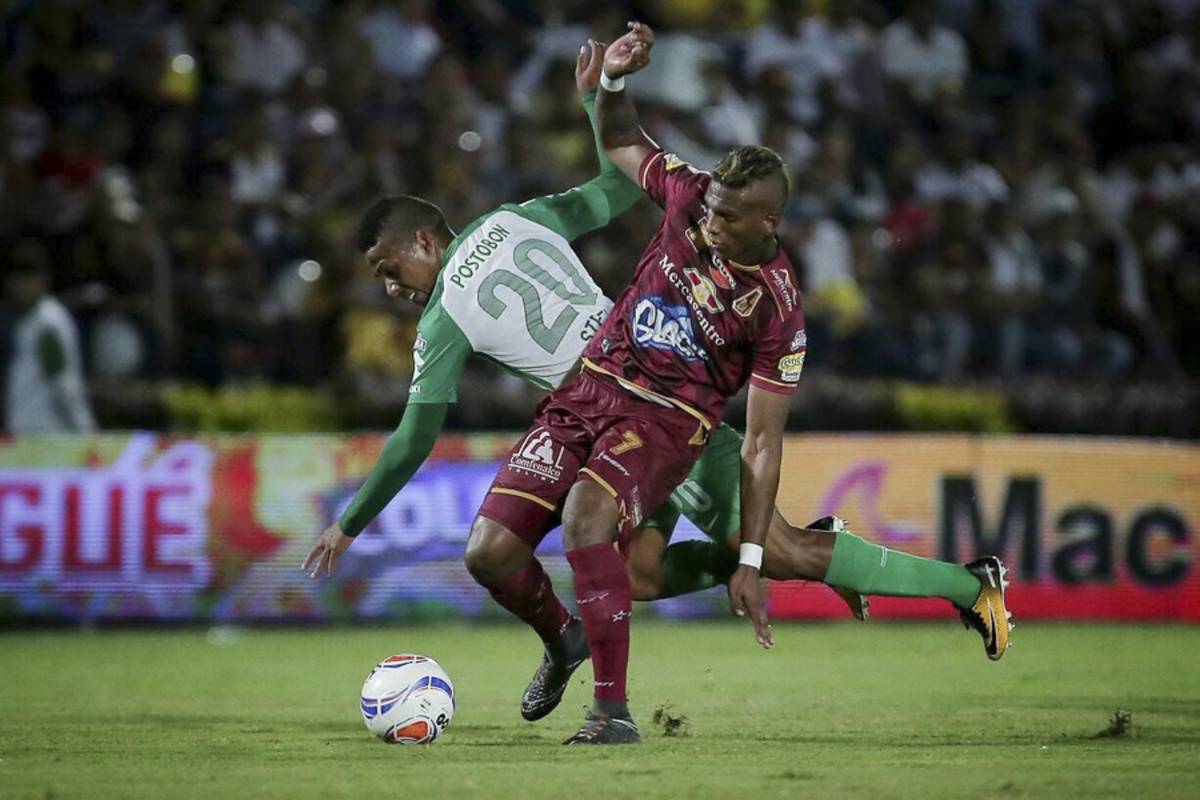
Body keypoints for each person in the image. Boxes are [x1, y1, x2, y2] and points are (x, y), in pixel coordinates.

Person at [302, 34, 1013, 745]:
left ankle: (965, 584)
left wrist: (753, 559)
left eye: (389, 269)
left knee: (779, 551)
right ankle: (587, 645)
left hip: (674, 419)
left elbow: (763, 439)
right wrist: (600, 93)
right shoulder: (543, 215)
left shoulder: (774, 303)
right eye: (710, 211)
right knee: (633, 573)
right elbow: (619, 172)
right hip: (593, 398)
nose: (709, 223)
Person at [3, 239, 97, 434]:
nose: (21, 285)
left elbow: (63, 383)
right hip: (23, 432)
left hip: (48, 434)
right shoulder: (23, 319)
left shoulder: (49, 322)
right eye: (16, 277)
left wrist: (87, 432)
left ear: (43, 279)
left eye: (28, 277)